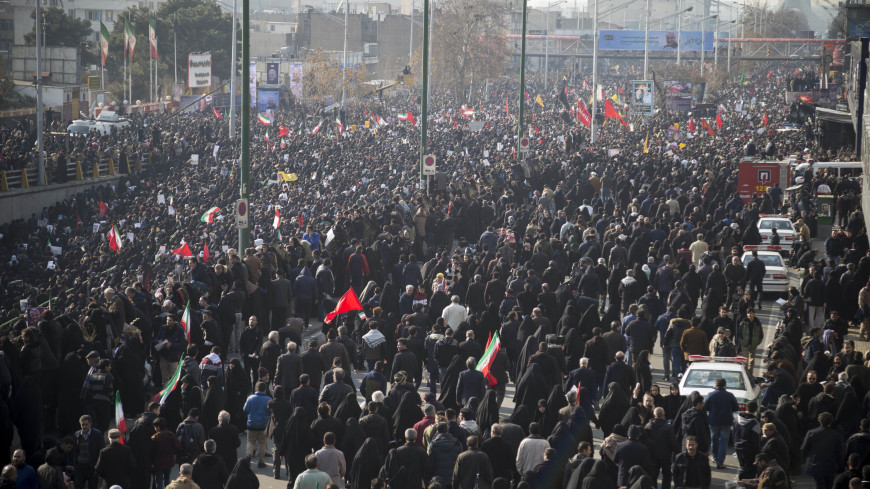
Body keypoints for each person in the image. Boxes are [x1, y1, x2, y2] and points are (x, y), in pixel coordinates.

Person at [801, 412, 844, 489]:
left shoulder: (811, 433)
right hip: (831, 465)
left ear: (819, 421)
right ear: (831, 421)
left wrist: (806, 460)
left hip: (815, 464)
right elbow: (840, 453)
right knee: (829, 485)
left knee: (819, 484)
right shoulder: (837, 435)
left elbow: (804, 449)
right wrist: (841, 467)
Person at [704, 378, 738, 469]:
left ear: (716, 385)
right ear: (725, 385)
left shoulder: (710, 395)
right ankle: (720, 461)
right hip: (726, 421)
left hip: (713, 421)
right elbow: (736, 407)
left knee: (714, 440)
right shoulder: (730, 395)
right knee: (724, 441)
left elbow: (705, 406)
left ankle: (715, 457)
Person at [243, 381, 272, 468]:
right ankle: (261, 461)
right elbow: (270, 412)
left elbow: (245, 410)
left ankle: (248, 455)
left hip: (251, 424)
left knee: (250, 441)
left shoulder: (250, 398)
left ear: (257, 389)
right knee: (262, 443)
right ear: (265, 390)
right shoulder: (268, 400)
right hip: (263, 425)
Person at [72, 415, 104, 489]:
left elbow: (101, 451)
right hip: (80, 467)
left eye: (86, 424)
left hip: (92, 468)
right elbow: (75, 451)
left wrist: (98, 467)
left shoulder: (97, 434)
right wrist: (75, 465)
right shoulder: (77, 435)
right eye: (82, 424)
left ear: (90, 424)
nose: (84, 426)